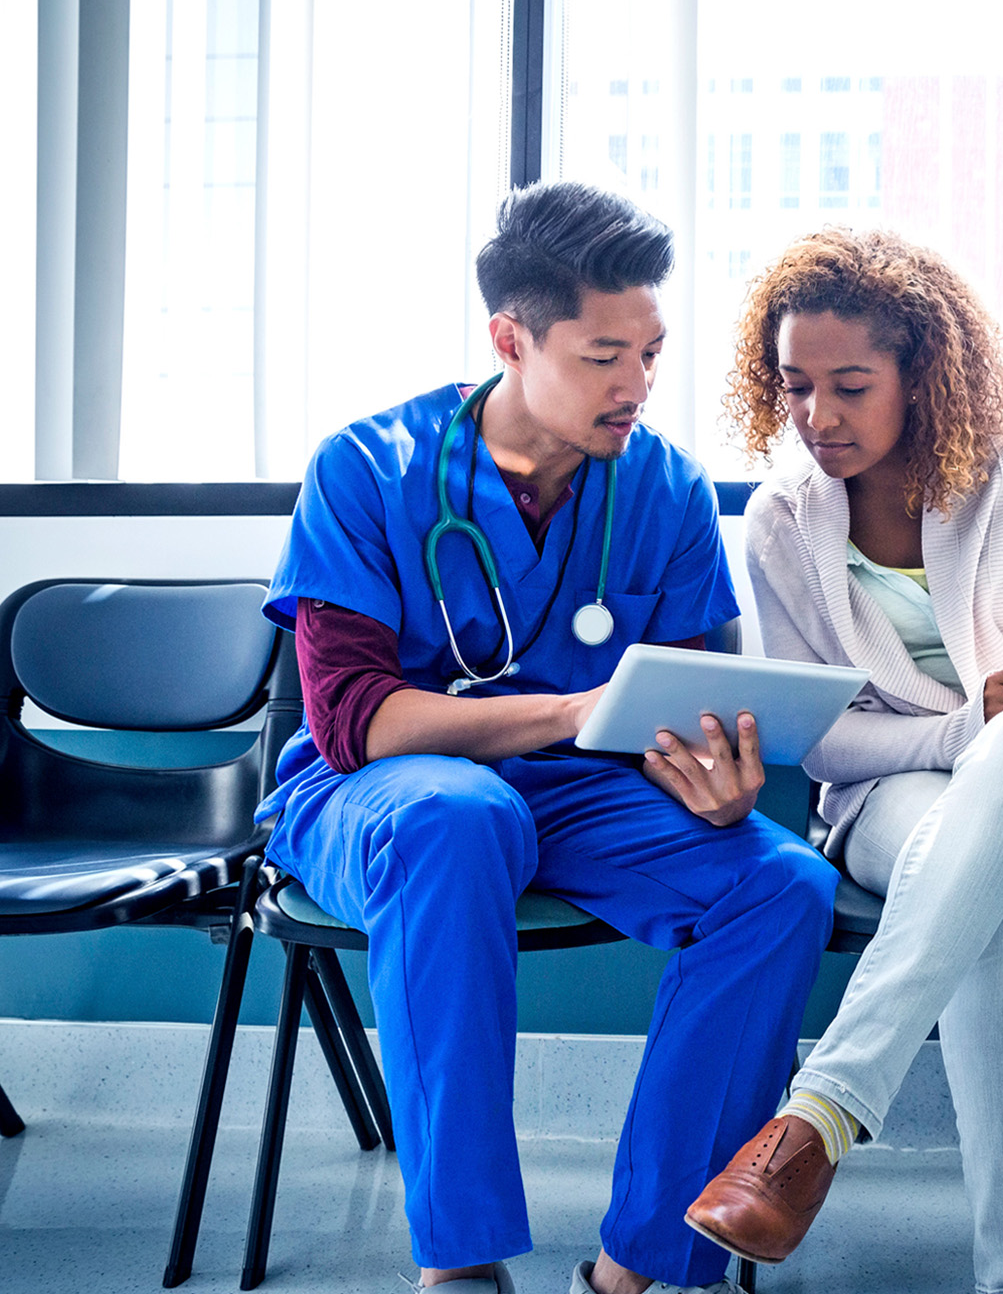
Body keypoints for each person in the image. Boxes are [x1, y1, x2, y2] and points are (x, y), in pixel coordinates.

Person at [257, 181, 838, 1294]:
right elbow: (356, 721)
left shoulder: (660, 485)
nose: (638, 386)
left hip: (579, 795)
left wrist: (714, 783)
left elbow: (691, 699)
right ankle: (462, 1263)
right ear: (511, 339)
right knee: (456, 814)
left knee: (782, 886)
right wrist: (572, 714)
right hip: (374, 794)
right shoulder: (367, 470)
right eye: (604, 356)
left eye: (654, 354)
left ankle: (643, 1267)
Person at [685, 226, 1003, 1294]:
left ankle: (815, 1120)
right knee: (982, 901)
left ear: (922, 374)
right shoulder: (781, 521)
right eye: (795, 386)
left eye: (850, 385)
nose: (817, 417)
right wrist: (959, 730)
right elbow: (821, 732)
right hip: (885, 797)